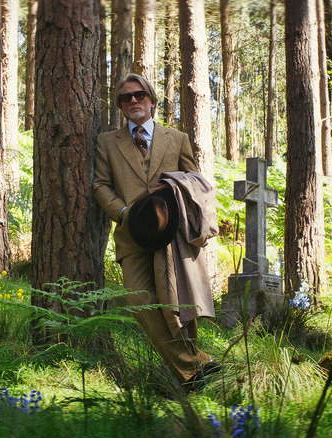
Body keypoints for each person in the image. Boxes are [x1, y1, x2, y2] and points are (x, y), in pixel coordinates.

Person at [93, 73, 220, 390]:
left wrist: (175, 189)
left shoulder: (176, 139)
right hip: (131, 236)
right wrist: (124, 213)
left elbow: (197, 182)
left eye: (138, 95)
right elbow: (100, 185)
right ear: (121, 106)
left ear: (151, 100)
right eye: (126, 98)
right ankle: (200, 366)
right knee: (140, 303)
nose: (133, 101)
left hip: (172, 236)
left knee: (178, 306)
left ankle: (192, 380)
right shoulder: (108, 142)